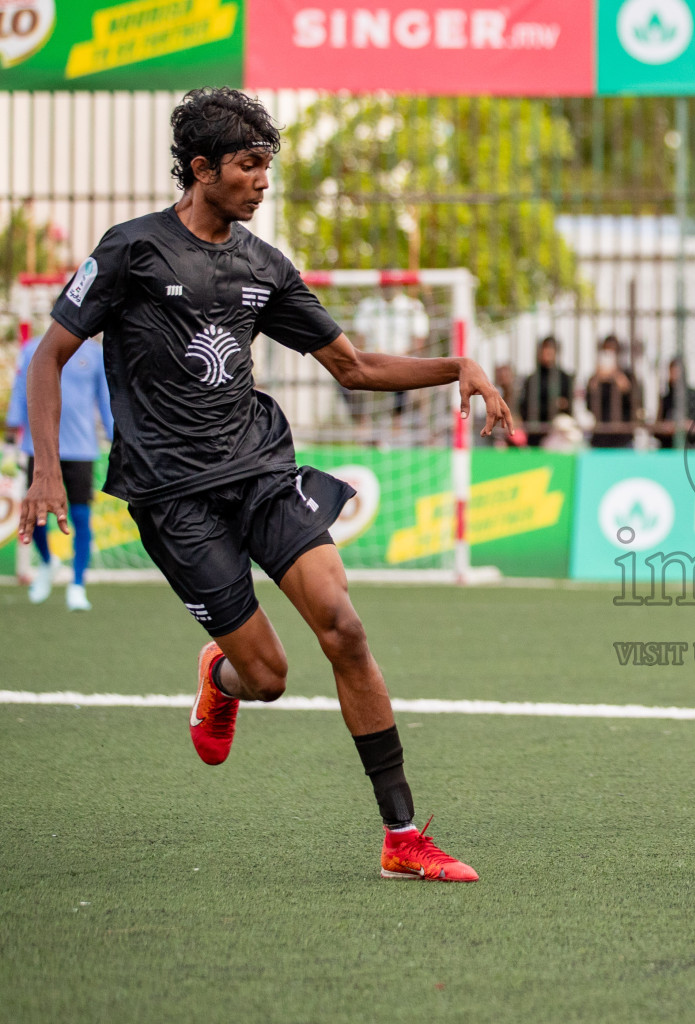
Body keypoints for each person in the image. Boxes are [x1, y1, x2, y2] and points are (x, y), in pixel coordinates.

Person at [18, 88, 513, 882]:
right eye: (249, 166)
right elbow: (47, 357)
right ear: (202, 168)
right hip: (173, 496)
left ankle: (402, 836)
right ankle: (220, 674)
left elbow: (353, 368)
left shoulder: (262, 266)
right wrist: (45, 469)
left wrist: (459, 367)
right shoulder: (131, 251)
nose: (262, 182)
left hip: (261, 473)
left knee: (345, 628)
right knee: (271, 678)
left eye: (266, 167)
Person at [7, 334, 113, 609]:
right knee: (33, 515)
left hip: (81, 448)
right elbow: (21, 388)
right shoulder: (32, 349)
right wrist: (12, 425)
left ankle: (77, 585)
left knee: (80, 516)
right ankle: (47, 561)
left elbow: (105, 397)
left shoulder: (95, 354)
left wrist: (117, 438)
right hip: (38, 448)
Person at [348, 284, 429, 426]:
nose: (388, 289)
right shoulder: (368, 306)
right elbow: (359, 340)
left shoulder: (412, 306)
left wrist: (400, 355)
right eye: (386, 285)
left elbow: (419, 342)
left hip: (401, 358)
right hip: (371, 359)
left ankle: (397, 421)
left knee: (404, 369)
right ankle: (362, 423)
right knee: (342, 374)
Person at [518, 336, 573, 447]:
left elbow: (569, 405)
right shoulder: (532, 379)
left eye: (550, 349)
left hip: (557, 432)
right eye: (545, 349)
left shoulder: (564, 378)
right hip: (535, 430)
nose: (547, 353)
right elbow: (525, 405)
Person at [585, 335, 636, 449]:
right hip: (600, 437)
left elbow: (634, 404)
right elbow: (588, 406)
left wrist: (617, 376)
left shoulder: (628, 375)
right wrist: (597, 379)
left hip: (623, 438)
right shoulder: (595, 377)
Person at [654, 357, 695, 449]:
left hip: (691, 448)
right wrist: (666, 428)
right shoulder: (666, 398)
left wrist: (685, 426)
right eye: (672, 372)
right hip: (669, 448)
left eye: (676, 372)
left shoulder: (694, 396)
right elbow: (657, 429)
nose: (674, 376)